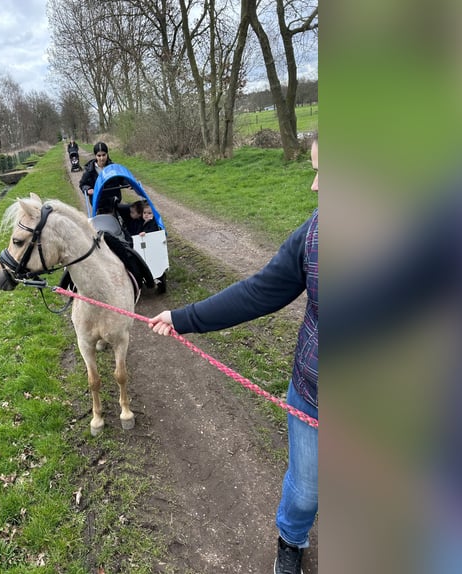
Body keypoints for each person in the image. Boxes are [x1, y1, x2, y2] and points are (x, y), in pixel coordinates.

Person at [149, 136, 318, 574]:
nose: (316, 187)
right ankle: (291, 541)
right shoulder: (315, 236)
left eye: (326, 173)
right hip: (314, 394)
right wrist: (183, 317)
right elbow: (258, 292)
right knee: (305, 492)